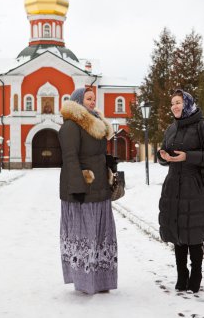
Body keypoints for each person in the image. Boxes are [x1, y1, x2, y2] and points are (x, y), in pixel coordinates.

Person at [157, 89, 204, 293]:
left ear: (187, 103)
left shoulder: (203, 127)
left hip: (195, 187)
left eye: (178, 102)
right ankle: (181, 275)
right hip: (173, 186)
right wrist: (162, 156)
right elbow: (163, 152)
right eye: (172, 103)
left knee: (194, 233)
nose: (175, 106)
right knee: (177, 233)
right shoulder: (171, 129)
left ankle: (196, 275)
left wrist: (188, 157)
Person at [58, 87, 117, 294]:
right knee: (85, 236)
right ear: (78, 101)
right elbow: (70, 158)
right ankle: (84, 281)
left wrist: (108, 162)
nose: (93, 102)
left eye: (94, 98)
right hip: (82, 190)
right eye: (88, 98)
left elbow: (94, 153)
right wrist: (77, 187)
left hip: (100, 187)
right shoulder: (71, 126)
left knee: (101, 235)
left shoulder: (95, 123)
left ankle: (101, 281)